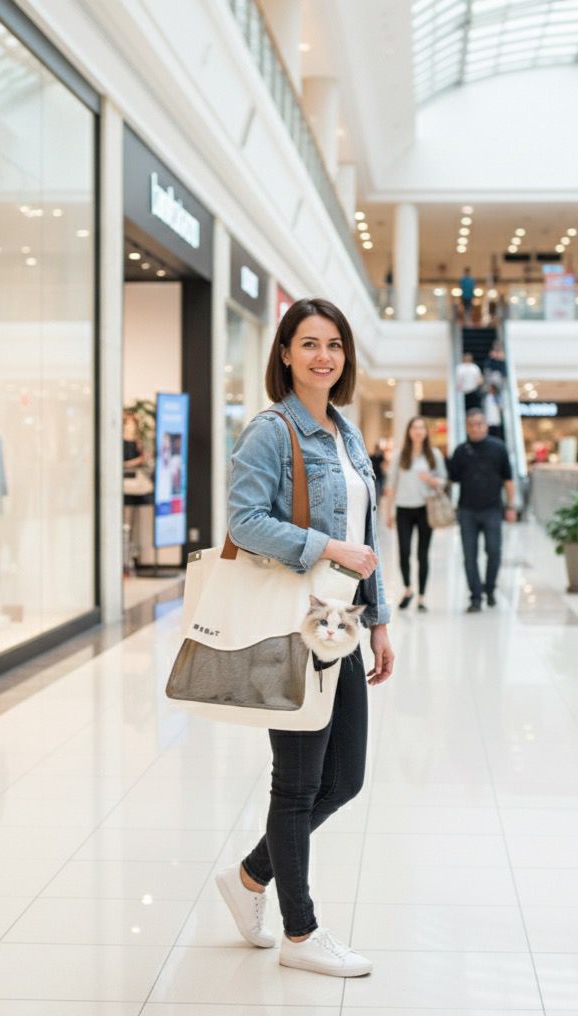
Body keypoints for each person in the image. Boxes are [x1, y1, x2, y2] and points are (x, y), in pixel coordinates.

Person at [218, 297, 394, 979]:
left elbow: (368, 540)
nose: (323, 355)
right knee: (296, 785)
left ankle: (248, 878)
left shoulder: (345, 434)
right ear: (285, 353)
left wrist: (378, 621)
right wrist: (326, 548)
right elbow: (243, 522)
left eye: (334, 345)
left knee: (343, 779)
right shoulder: (270, 430)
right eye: (308, 343)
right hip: (291, 623)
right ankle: (301, 934)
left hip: (339, 626)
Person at [447, 408, 516, 612]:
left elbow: (508, 480)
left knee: (494, 551)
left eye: (479, 423)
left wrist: (511, 506)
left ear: (485, 425)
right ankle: (476, 597)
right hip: (467, 510)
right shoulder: (460, 451)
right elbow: (451, 479)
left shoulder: (499, 448)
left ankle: (490, 589)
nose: (475, 428)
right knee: (470, 556)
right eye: (471, 424)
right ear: (467, 427)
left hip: (493, 509)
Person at [383, 416, 447, 612]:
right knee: (404, 552)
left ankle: (422, 597)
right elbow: (391, 485)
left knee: (422, 554)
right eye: (414, 428)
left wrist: (431, 480)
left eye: (421, 428)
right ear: (409, 432)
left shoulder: (434, 455)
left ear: (426, 432)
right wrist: (388, 512)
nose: (418, 431)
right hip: (403, 509)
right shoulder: (400, 455)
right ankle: (408, 589)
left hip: (425, 509)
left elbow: (443, 481)